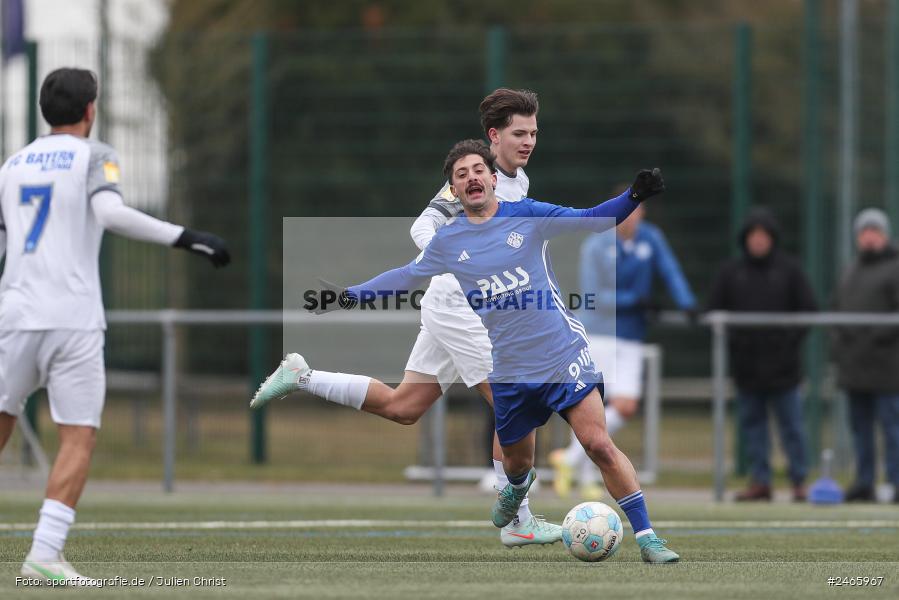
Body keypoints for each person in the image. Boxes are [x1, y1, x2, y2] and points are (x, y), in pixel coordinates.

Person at [283, 139, 678, 563]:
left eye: (477, 170)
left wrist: (633, 196)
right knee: (517, 465)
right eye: (461, 175)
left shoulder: (527, 215)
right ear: (454, 191)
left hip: (563, 356)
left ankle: (648, 538)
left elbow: (589, 219)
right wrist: (346, 296)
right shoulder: (449, 242)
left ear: (492, 178)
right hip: (509, 370)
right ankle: (515, 491)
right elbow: (404, 277)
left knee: (597, 443)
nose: (471, 177)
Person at [253, 89, 562, 547]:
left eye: (534, 132)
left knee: (404, 407)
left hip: (454, 309)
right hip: (461, 311)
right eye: (520, 133)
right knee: (513, 406)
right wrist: (464, 259)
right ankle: (519, 521)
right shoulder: (476, 175)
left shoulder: (517, 181)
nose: (529, 141)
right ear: (495, 137)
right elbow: (423, 226)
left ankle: (302, 376)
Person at [0, 68, 230, 584]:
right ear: (90, 109)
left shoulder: (11, 165)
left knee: (2, 420)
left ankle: (45, 556)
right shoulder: (94, 154)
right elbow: (110, 213)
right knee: (77, 436)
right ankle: (43, 555)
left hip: (14, 315)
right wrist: (186, 236)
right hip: (72, 320)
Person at [550, 197, 696, 499]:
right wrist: (635, 301)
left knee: (625, 405)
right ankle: (586, 477)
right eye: (625, 212)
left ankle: (569, 459)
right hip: (599, 333)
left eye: (635, 213)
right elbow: (592, 294)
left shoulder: (651, 238)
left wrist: (687, 303)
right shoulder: (596, 244)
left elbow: (670, 270)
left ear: (642, 214)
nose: (629, 219)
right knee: (592, 406)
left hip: (631, 335)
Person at [707, 207, 816, 502]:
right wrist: (738, 344)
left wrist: (787, 343)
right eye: (753, 235)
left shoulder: (790, 270)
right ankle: (761, 482)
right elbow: (714, 310)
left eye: (763, 235)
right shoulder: (732, 272)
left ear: (772, 238)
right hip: (747, 369)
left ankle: (799, 481)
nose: (758, 240)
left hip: (785, 369)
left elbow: (809, 310)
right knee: (753, 430)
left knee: (792, 428)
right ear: (746, 239)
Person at [833, 208, 899, 503]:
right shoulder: (850, 270)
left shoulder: (895, 268)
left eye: (875, 231)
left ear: (885, 235)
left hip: (888, 368)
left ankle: (896, 481)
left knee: (892, 428)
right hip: (855, 367)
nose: (870, 237)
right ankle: (864, 481)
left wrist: (873, 336)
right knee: (860, 430)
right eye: (865, 232)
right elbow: (836, 310)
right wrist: (841, 344)